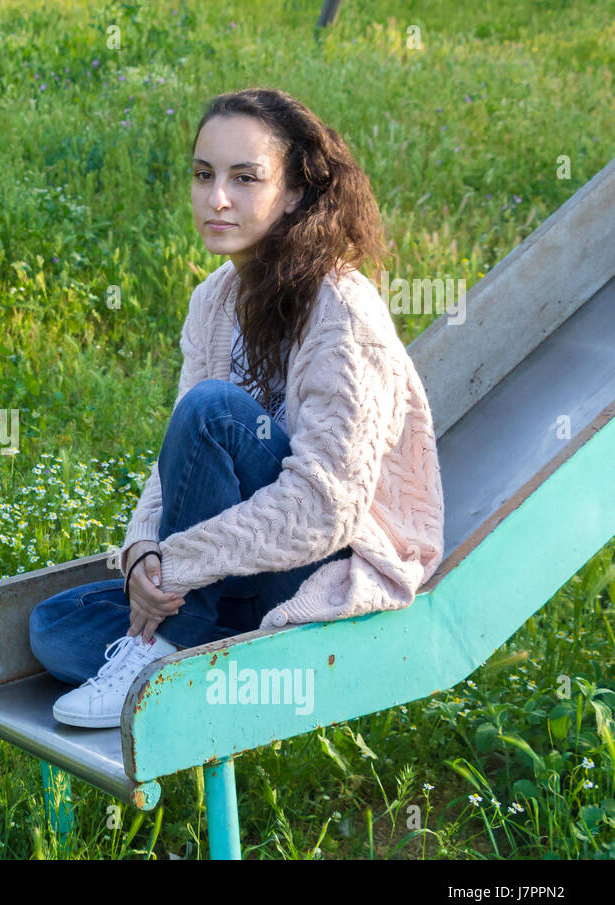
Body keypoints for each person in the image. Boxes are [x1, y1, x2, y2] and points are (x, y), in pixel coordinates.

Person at [28, 88, 445, 729]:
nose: (216, 198)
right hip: (238, 566)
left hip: (327, 560)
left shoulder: (343, 314)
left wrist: (177, 566)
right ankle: (196, 645)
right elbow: (180, 463)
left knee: (216, 409)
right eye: (204, 175)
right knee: (52, 628)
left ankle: (160, 650)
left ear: (298, 192)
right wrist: (142, 550)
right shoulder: (213, 301)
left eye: (245, 178)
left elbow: (323, 508)